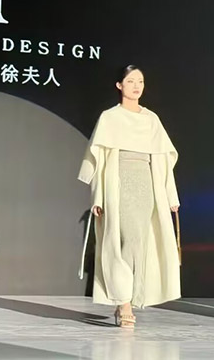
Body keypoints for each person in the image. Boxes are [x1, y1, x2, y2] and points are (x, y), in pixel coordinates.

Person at [78, 65, 181, 329]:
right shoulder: (110, 118)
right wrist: (98, 197)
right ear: (119, 85)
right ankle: (124, 302)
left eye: (141, 81)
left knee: (139, 242)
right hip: (119, 184)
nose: (137, 86)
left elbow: (163, 162)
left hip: (146, 185)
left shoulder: (151, 119)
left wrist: (170, 195)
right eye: (131, 81)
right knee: (125, 239)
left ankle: (127, 298)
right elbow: (100, 160)